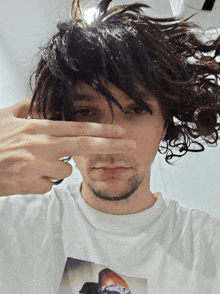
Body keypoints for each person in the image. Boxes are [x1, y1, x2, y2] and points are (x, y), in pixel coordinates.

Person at [0, 0, 220, 293]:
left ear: (165, 123)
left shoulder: (209, 248)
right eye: (86, 112)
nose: (111, 140)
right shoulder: (12, 225)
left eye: (136, 109)